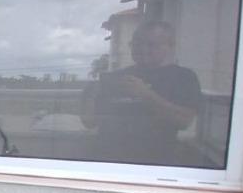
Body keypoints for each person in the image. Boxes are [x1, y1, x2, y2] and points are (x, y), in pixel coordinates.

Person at [81, 20, 202, 165]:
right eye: (137, 44)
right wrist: (91, 95)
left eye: (151, 45)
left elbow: (184, 121)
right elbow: (89, 122)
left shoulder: (183, 77)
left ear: (170, 46)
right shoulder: (116, 77)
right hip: (108, 162)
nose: (143, 49)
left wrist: (145, 95)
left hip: (153, 164)